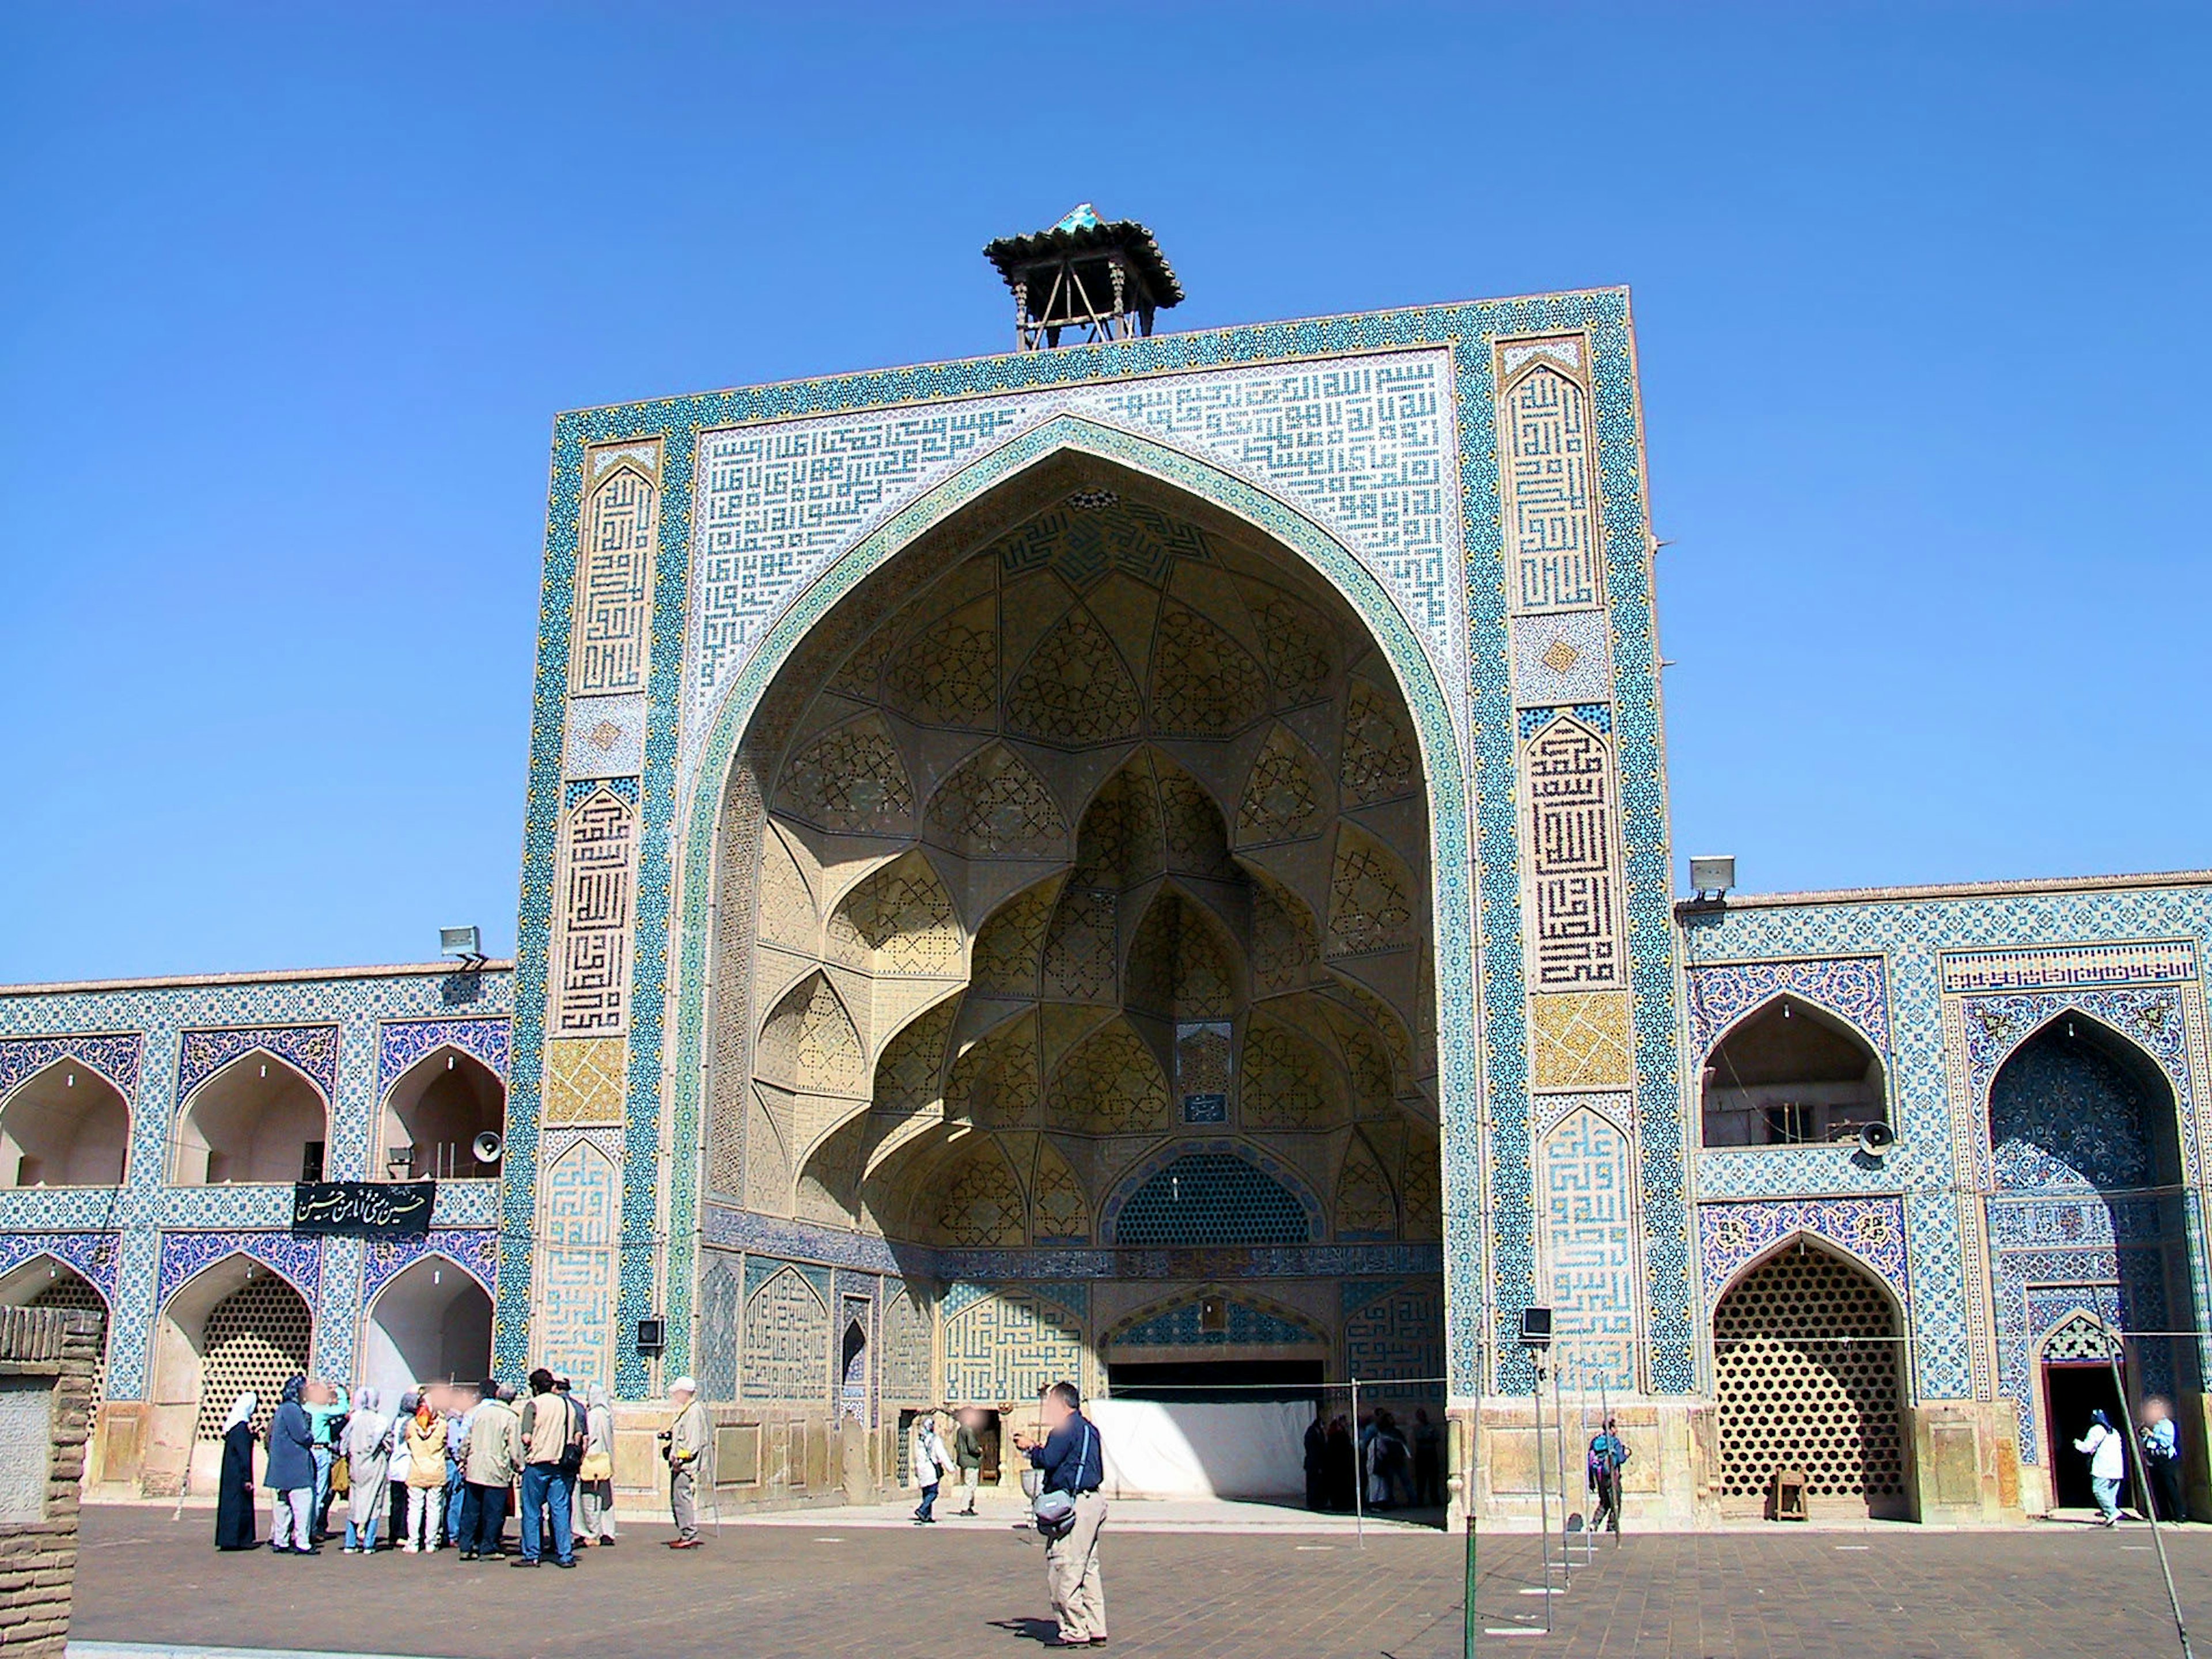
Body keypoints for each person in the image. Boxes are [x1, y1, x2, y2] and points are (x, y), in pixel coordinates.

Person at [1013, 1381, 1107, 1650]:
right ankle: (1095, 1627)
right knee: (1088, 1567)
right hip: (1094, 1501)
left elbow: (1049, 1460)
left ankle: (1074, 1629)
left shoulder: (1065, 1429)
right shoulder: (1090, 1429)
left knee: (1065, 1566)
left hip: (1075, 1504)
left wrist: (1031, 1448)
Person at [514, 1367, 580, 1568]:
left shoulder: (534, 1405)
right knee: (560, 1509)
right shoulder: (568, 1406)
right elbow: (577, 1434)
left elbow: (526, 1437)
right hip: (560, 1464)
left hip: (537, 1463)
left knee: (533, 1510)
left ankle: (532, 1554)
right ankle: (565, 1554)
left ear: (535, 1387)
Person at [461, 1375, 521, 1560]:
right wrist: (520, 1466)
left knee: (472, 1509)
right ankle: (489, 1546)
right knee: (493, 1511)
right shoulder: (510, 1418)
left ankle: (467, 1545)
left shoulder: (479, 1413)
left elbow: (467, 1441)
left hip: (475, 1467)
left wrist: (463, 1459)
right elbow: (515, 1447)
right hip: (497, 1469)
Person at [265, 1375, 317, 1555]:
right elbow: (302, 1436)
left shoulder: (282, 1409)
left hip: (280, 1468)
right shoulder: (293, 1410)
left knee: (282, 1508)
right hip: (295, 1468)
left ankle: (282, 1540)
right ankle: (303, 1543)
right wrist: (310, 1436)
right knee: (302, 1506)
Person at [343, 1385, 392, 1553]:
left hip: (356, 1465)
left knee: (355, 1502)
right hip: (375, 1465)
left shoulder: (355, 1418)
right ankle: (368, 1543)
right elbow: (387, 1443)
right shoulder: (381, 1421)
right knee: (374, 1502)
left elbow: (344, 1442)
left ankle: (350, 1542)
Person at [662, 1376, 709, 1550]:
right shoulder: (687, 1411)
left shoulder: (693, 1412)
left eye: (677, 1393)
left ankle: (689, 1534)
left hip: (685, 1466)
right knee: (678, 1498)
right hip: (680, 1464)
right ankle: (686, 1532)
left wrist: (680, 1458)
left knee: (682, 1498)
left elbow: (693, 1443)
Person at [403, 1390, 450, 1551]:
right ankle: (431, 1542)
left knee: (415, 1507)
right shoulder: (442, 1425)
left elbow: (408, 1441)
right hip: (436, 1470)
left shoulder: (412, 1425)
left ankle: (413, 1541)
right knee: (434, 1507)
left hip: (417, 1469)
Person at [214, 1392, 259, 1551]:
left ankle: (230, 1538)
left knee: (231, 1505)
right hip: (239, 1475)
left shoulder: (235, 1427)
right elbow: (243, 1454)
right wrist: (247, 1478)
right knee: (238, 1506)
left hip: (231, 1475)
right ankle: (237, 1539)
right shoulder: (240, 1428)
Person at [577, 1384, 618, 1546]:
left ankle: (592, 1533)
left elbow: (590, 1438)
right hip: (605, 1462)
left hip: (592, 1461)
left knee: (590, 1498)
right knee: (605, 1497)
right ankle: (608, 1531)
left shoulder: (594, 1415)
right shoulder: (607, 1414)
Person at [2077, 1408, 2126, 1526]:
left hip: (2103, 1467)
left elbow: (2087, 1448)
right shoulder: (2114, 1432)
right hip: (2117, 1468)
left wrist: (2077, 1444)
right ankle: (2111, 1518)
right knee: (2110, 1494)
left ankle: (2112, 1512)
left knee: (2098, 1490)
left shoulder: (2096, 1430)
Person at [2141, 1398, 2183, 1522]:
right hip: (2154, 1458)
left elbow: (2167, 1442)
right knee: (2158, 1488)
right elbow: (2148, 1442)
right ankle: (2164, 1514)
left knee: (2170, 1486)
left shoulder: (2167, 1425)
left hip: (2166, 1459)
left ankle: (2179, 1515)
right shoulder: (2152, 1425)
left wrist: (2152, 1435)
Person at [1588, 1418, 1631, 1535]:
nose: (1617, 1430)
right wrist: (1627, 1453)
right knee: (1616, 1503)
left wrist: (1591, 1481)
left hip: (1600, 1476)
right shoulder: (1614, 1442)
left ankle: (1594, 1524)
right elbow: (1620, 1459)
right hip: (1612, 1476)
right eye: (1615, 1427)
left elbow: (1590, 1460)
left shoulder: (1595, 1442)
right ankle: (1611, 1527)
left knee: (1604, 1502)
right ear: (1611, 1429)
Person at [910, 1410, 948, 1524]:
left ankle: (927, 1515)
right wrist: (950, 1468)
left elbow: (917, 1455)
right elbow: (941, 1454)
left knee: (926, 1492)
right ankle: (922, 1510)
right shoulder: (933, 1439)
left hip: (922, 1468)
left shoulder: (919, 1440)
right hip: (930, 1469)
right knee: (933, 1492)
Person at [953, 1409, 986, 1517]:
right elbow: (972, 1447)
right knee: (970, 1485)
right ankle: (965, 1507)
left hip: (964, 1460)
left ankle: (970, 1506)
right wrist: (979, 1450)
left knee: (971, 1485)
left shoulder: (960, 1430)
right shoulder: (968, 1430)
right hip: (970, 1461)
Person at [1412, 1408, 1442, 1508]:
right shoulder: (1417, 1428)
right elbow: (1419, 1439)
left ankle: (1435, 1500)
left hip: (1431, 1454)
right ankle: (1420, 1501)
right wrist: (1428, 1438)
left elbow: (1436, 1437)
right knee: (1421, 1480)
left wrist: (1428, 1438)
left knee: (1433, 1479)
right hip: (1422, 1454)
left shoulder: (1431, 1427)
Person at [1303, 1411, 1327, 1510]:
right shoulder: (1312, 1432)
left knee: (1318, 1484)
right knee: (1312, 1484)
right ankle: (1312, 1503)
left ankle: (1318, 1502)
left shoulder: (1319, 1432)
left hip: (1317, 1462)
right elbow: (1313, 1448)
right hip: (1313, 1463)